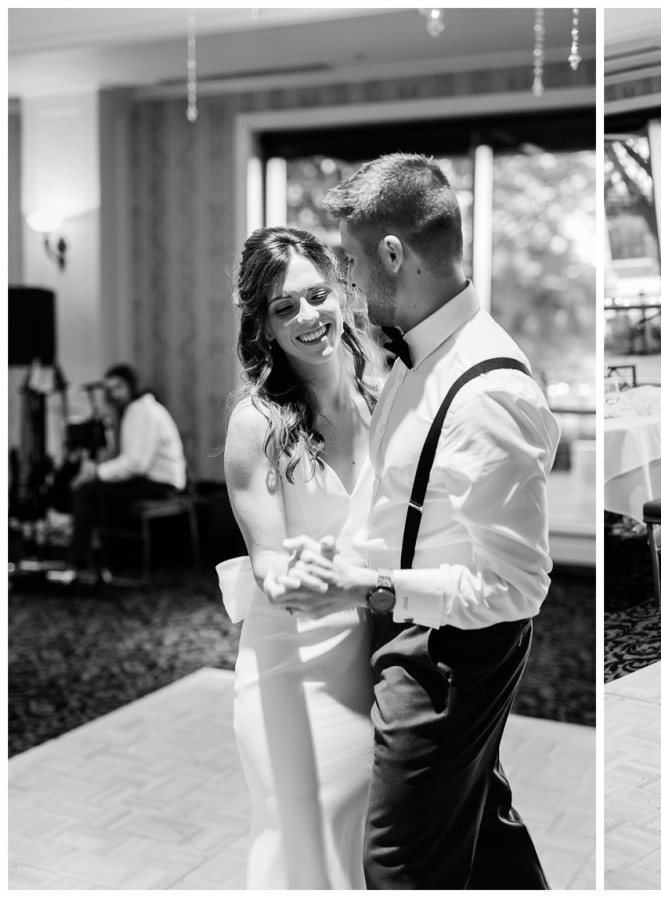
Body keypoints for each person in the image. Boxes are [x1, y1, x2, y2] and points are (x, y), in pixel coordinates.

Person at [272, 153, 559, 889]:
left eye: (353, 263)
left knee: (401, 866)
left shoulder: (488, 391)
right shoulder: (412, 357)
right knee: (482, 832)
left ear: (394, 254)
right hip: (405, 626)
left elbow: (518, 589)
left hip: (445, 656)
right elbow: (402, 497)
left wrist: (370, 586)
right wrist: (339, 556)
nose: (349, 284)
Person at [217, 226, 380, 889]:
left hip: (375, 646)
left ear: (342, 290)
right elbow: (266, 561)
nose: (308, 317)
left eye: (316, 296)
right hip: (291, 660)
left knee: (364, 836)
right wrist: (286, 574)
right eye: (285, 308)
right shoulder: (255, 425)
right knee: (298, 840)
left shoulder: (385, 397)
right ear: (265, 326)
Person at [66, 363, 186, 583]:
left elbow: (135, 464)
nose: (113, 393)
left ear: (131, 386)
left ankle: (79, 562)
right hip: (151, 478)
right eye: (109, 389)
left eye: (118, 387)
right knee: (94, 491)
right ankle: (101, 559)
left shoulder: (142, 412)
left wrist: (96, 473)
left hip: (161, 483)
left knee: (87, 492)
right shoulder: (135, 410)